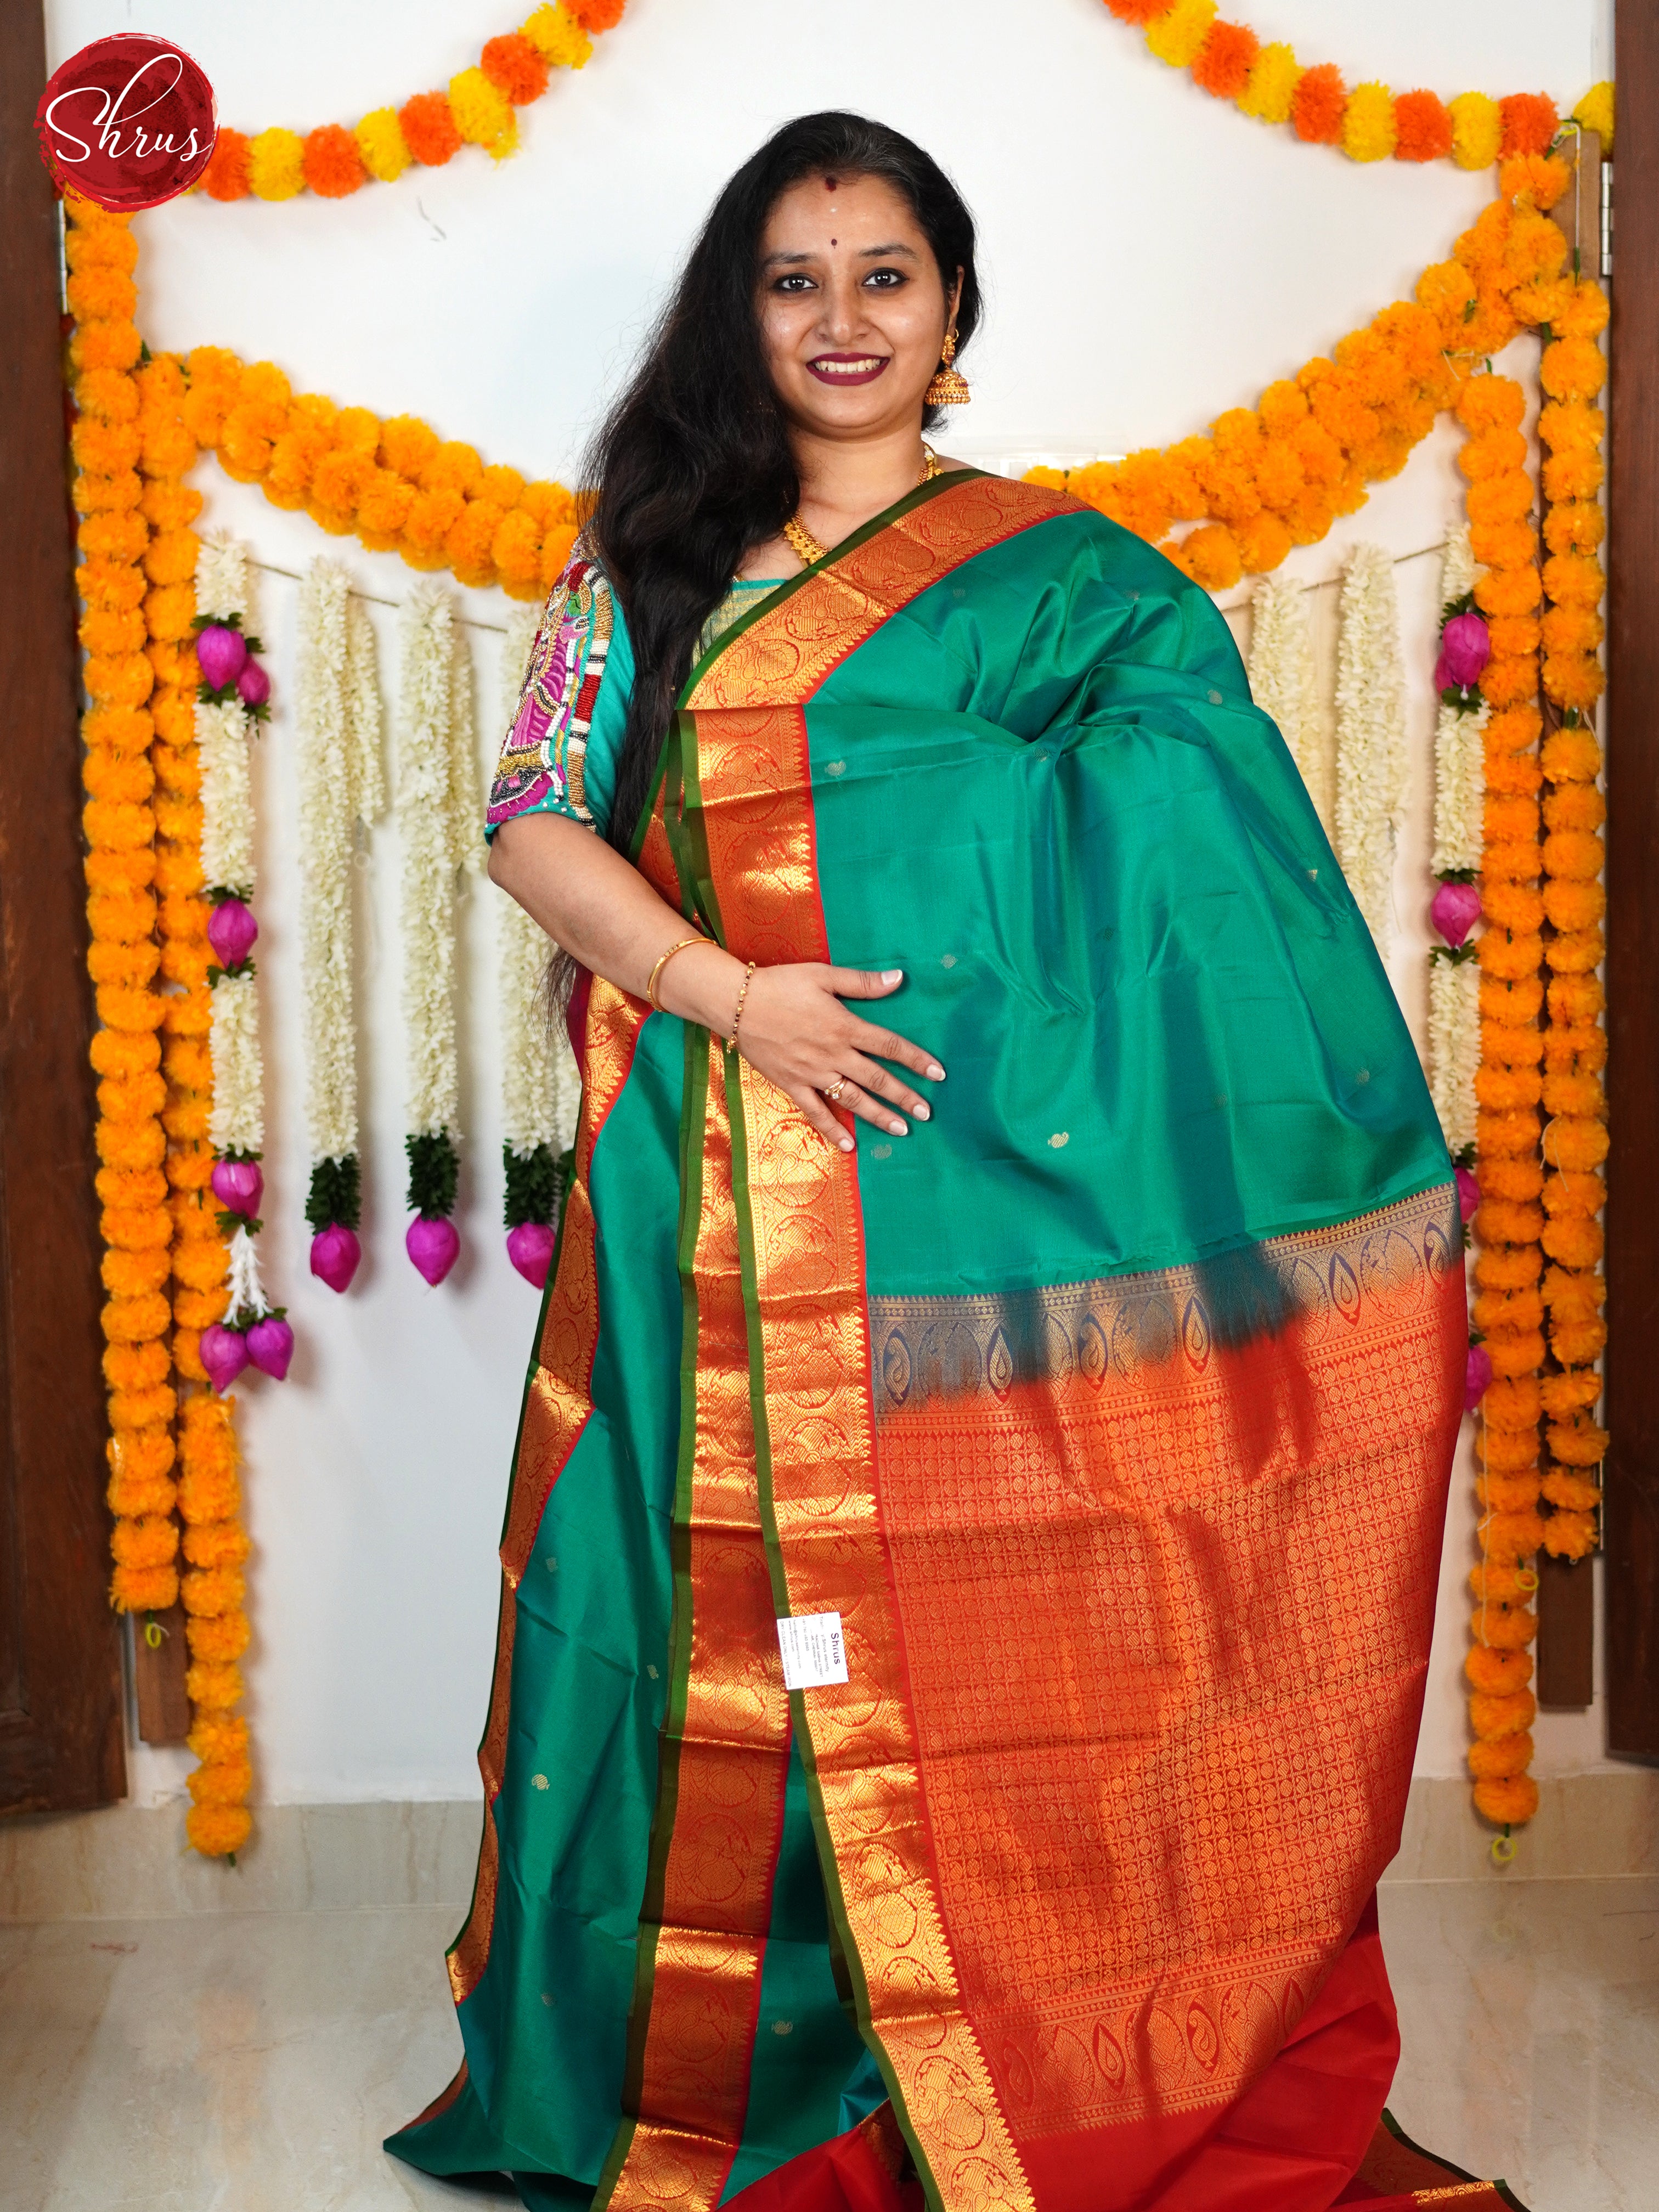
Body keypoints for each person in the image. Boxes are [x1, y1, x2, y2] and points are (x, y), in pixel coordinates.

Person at [390, 111, 1479, 2212]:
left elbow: (1203, 850)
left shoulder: (1079, 584)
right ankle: (716, 2071)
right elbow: (535, 824)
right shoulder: (645, 560)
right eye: (795, 281)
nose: (842, 320)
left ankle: (1017, 2054)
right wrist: (737, 992)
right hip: (705, 1189)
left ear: (956, 309)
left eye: (885, 274)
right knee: (696, 1625)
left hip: (978, 1222)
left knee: (1010, 1631)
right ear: (739, 312)